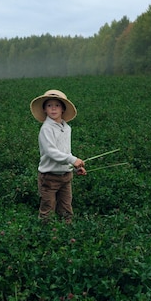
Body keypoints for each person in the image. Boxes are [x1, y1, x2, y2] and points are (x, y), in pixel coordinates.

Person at [30, 89, 86, 224]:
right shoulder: (46, 129)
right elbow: (51, 152)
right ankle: (45, 233)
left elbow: (66, 151)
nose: (53, 108)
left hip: (66, 175)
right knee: (47, 208)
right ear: (44, 109)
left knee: (66, 207)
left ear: (63, 109)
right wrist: (72, 160)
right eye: (49, 105)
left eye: (57, 105)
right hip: (49, 176)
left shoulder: (67, 128)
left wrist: (75, 166)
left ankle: (66, 233)